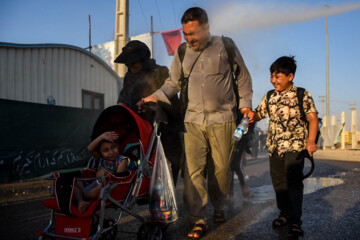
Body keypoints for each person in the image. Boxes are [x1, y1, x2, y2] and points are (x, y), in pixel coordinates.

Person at [138, 7, 254, 239]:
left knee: (221, 170)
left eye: (193, 33)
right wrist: (155, 96)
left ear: (206, 28)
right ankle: (198, 219)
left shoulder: (226, 46)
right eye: (185, 33)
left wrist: (246, 104)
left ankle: (219, 205)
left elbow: (242, 76)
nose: (189, 39)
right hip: (192, 120)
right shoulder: (182, 52)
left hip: (223, 119)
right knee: (193, 172)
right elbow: (173, 83)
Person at [253, 56, 319, 237]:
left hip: (295, 146)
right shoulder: (269, 96)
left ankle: (296, 220)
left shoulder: (302, 94)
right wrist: (249, 116)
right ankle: (284, 213)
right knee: (279, 184)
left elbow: (313, 119)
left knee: (294, 183)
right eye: (271, 76)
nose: (273, 80)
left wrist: (311, 142)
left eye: (277, 76)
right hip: (274, 147)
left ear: (290, 77)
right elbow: (259, 114)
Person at [114, 40, 183, 185]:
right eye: (128, 62)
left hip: (165, 127)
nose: (131, 65)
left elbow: (173, 103)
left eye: (134, 61)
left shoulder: (160, 72)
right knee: (147, 168)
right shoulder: (129, 77)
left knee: (171, 163)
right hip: (142, 129)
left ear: (143, 59)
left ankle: (168, 199)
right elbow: (125, 99)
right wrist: (121, 106)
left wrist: (152, 103)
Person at [74, 131, 129, 214]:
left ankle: (83, 197)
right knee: (76, 183)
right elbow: (90, 148)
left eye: (113, 147)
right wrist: (102, 137)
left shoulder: (122, 160)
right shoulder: (101, 159)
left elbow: (118, 176)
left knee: (101, 189)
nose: (111, 152)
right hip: (94, 185)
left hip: (108, 187)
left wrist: (106, 172)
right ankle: (81, 201)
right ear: (100, 152)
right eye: (106, 150)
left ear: (118, 146)